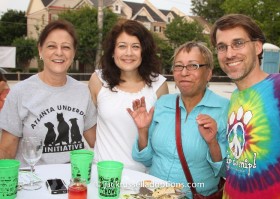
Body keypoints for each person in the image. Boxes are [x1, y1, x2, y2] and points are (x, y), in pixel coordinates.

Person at [210, 14, 280, 199]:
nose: (229, 54)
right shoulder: (235, 96)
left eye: (238, 43)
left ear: (258, 47)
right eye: (222, 47)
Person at [127, 41, 229, 196]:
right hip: (152, 193)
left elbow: (227, 172)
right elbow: (145, 160)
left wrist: (212, 143)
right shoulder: (162, 104)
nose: (184, 72)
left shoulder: (225, 109)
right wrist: (143, 130)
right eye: (178, 66)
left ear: (208, 73)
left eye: (193, 65)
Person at [0, 19, 97, 167]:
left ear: (74, 53)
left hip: (75, 181)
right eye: (51, 46)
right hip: (34, 182)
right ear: (40, 50)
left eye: (66, 47)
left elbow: (96, 141)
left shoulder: (82, 91)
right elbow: (7, 152)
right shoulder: (20, 92)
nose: (59, 52)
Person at [88, 19, 169, 172]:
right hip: (104, 172)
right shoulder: (98, 80)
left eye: (135, 47)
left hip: (143, 176)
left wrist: (143, 131)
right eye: (122, 46)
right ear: (113, 52)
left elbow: (160, 138)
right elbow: (88, 124)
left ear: (144, 52)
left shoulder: (159, 85)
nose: (128, 53)